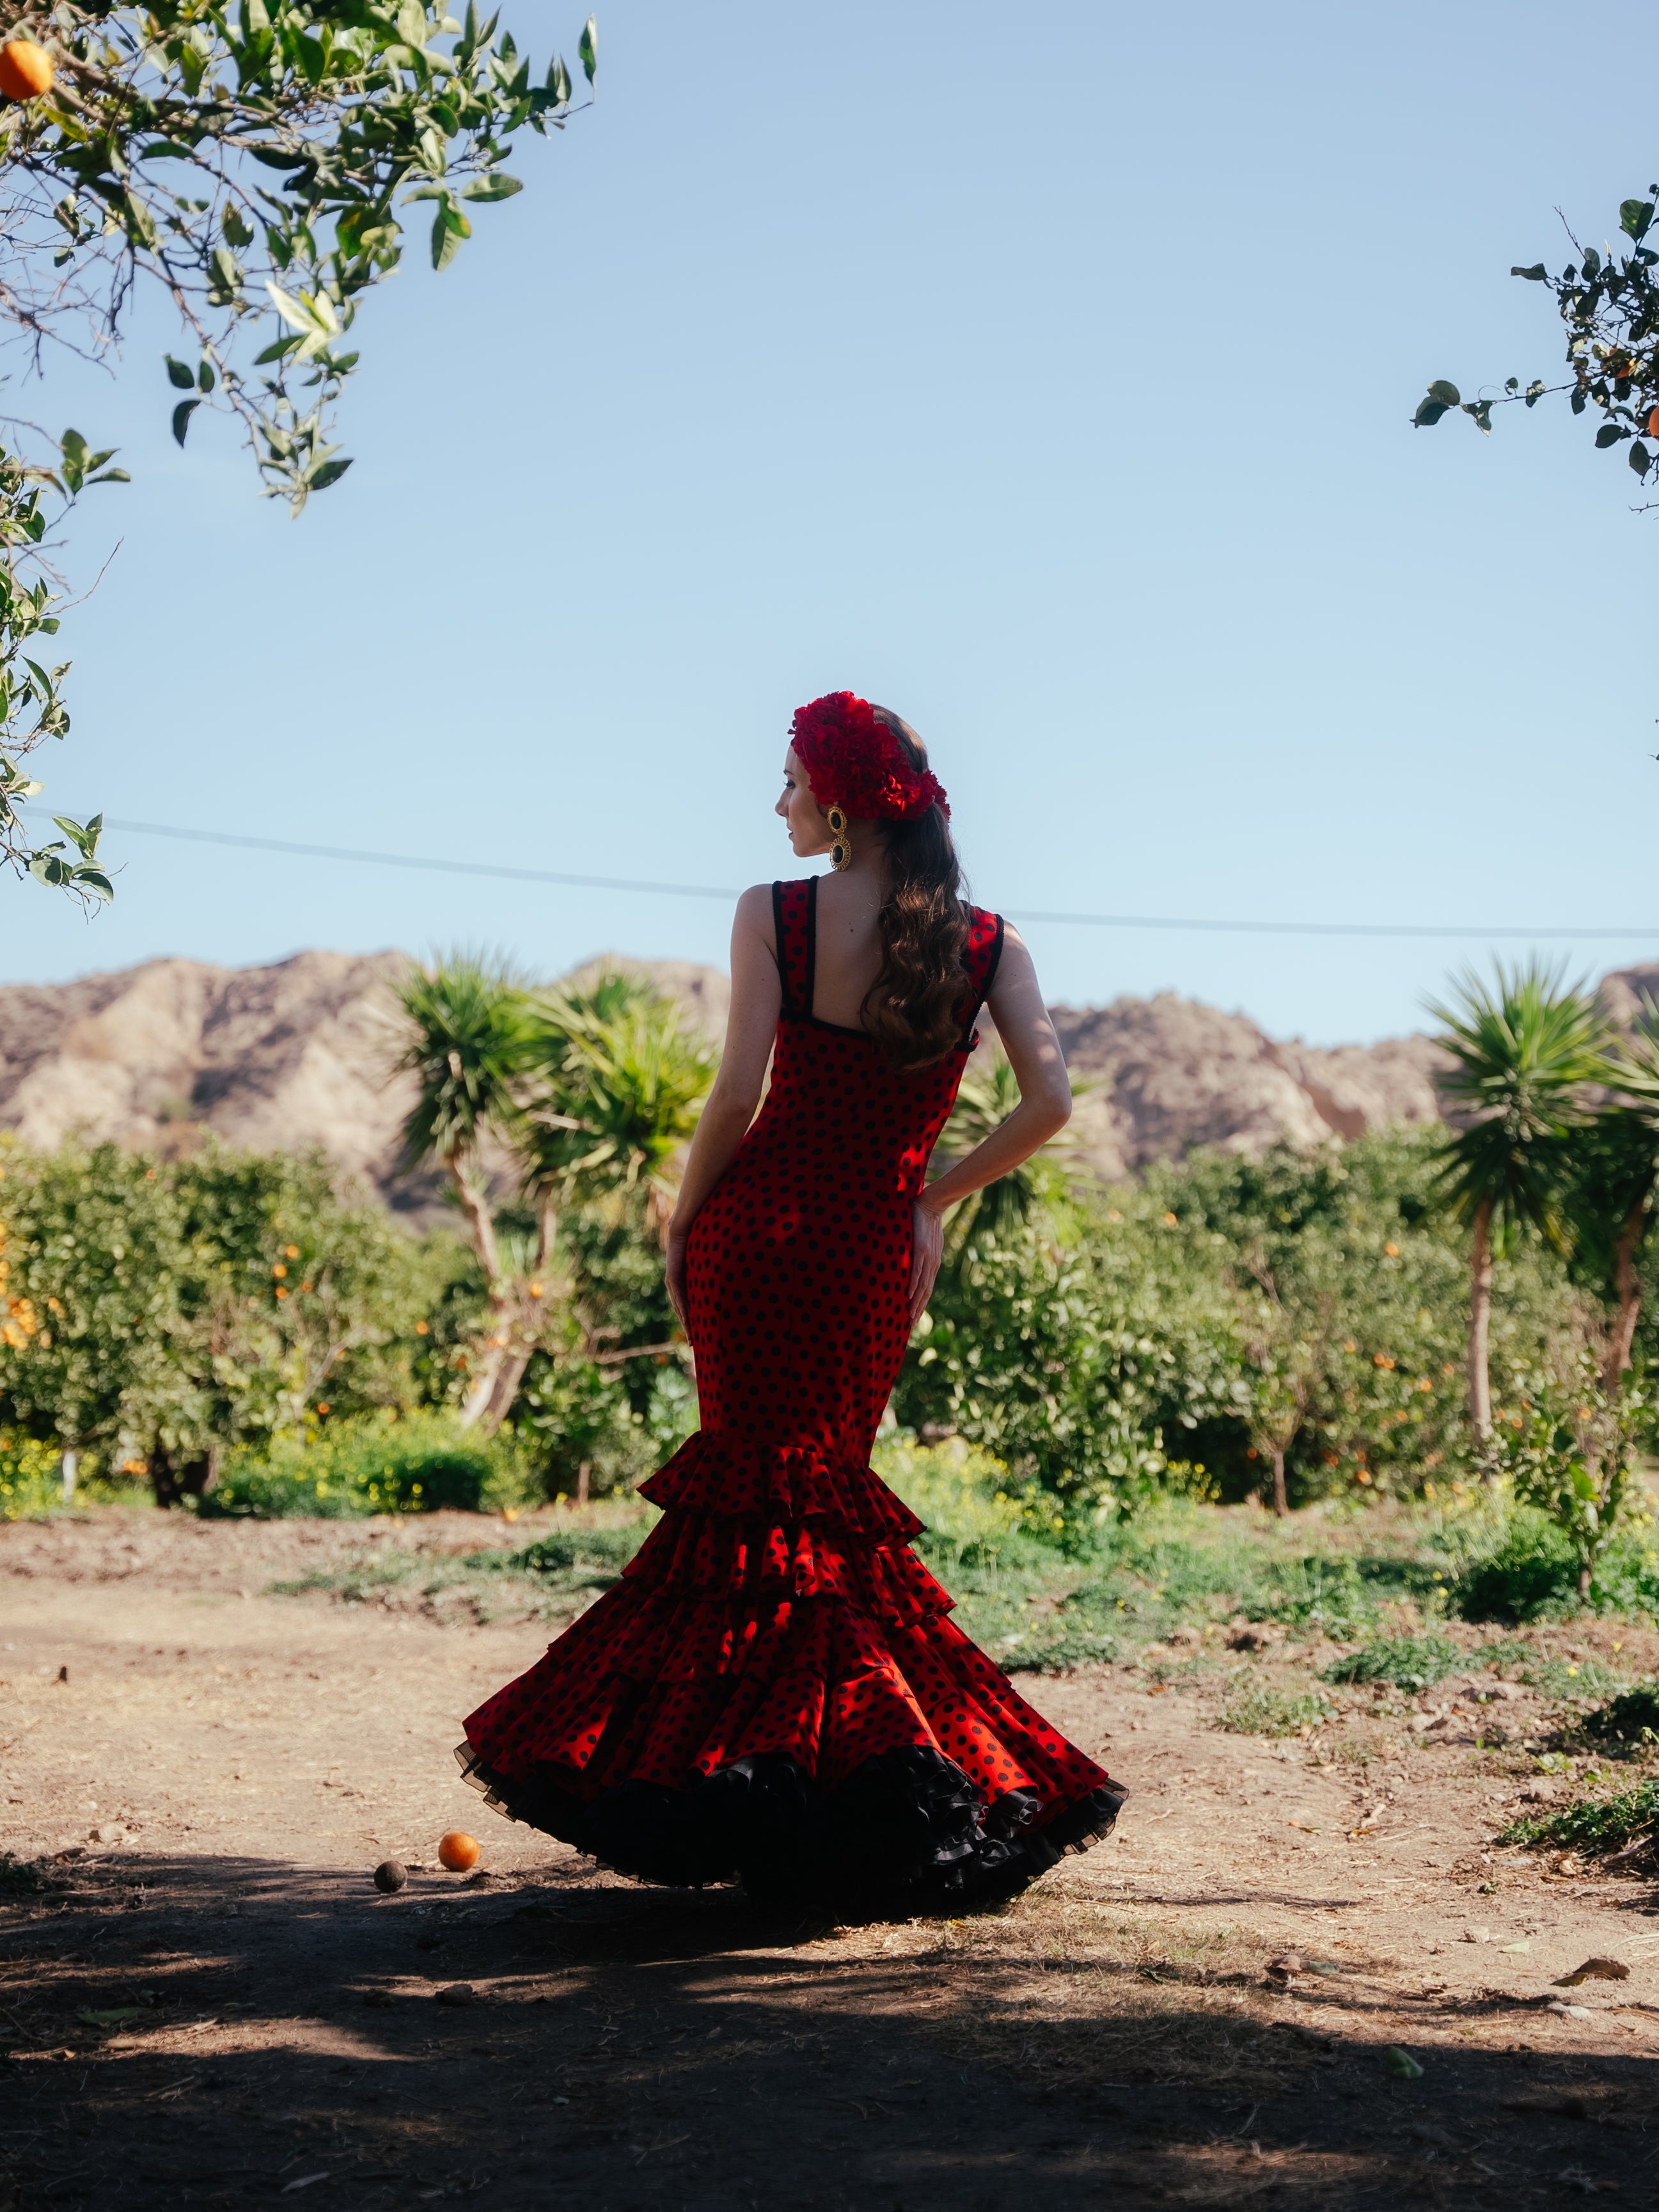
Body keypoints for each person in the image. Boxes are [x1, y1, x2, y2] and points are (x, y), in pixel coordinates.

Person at [457, 691, 1126, 1911]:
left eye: (787, 781)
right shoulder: (989, 944)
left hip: (754, 1235)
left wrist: (681, 1217)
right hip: (869, 1248)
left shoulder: (774, 913)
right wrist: (931, 1195)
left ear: (840, 799)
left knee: (752, 1506)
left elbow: (733, 1093)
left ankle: (747, 1782)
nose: (776, 804)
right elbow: (1051, 1102)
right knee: (817, 1513)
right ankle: (830, 1782)